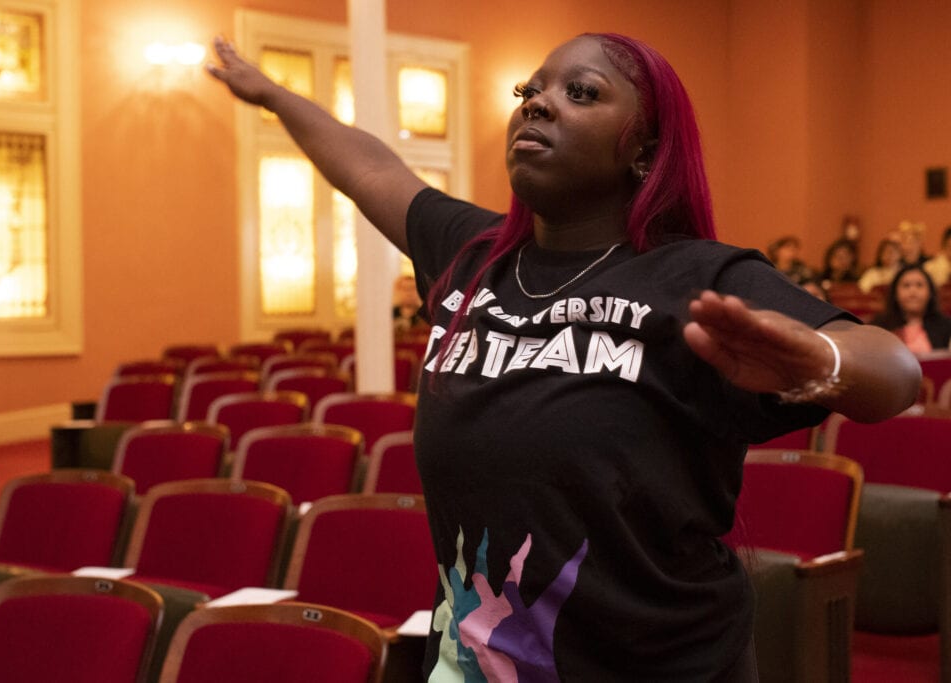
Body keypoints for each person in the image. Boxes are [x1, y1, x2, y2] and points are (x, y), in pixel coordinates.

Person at [207, 32, 919, 681]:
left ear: (644, 149)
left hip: (659, 665)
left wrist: (815, 358)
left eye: (581, 93)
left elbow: (894, 370)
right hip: (479, 661)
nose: (539, 104)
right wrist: (271, 94)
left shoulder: (693, 277)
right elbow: (369, 167)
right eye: (531, 92)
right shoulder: (475, 256)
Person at [872, 265, 951, 354]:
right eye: (906, 285)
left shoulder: (946, 326)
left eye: (919, 285)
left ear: (930, 293)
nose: (913, 291)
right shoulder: (879, 327)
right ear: (895, 293)